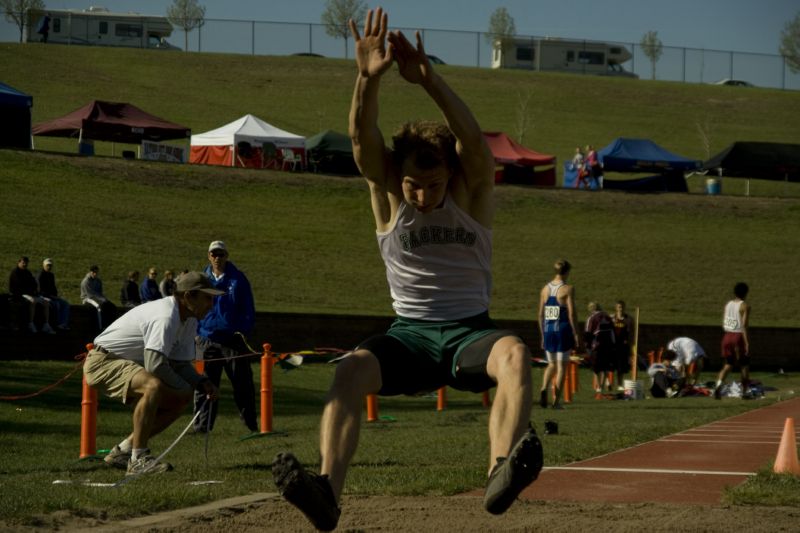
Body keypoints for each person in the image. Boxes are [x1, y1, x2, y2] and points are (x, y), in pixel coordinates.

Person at [271, 9, 543, 531]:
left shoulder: (470, 191)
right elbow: (360, 137)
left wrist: (429, 80)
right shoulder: (389, 191)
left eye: (434, 185)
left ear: (451, 174)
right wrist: (365, 78)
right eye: (414, 186)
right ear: (400, 176)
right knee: (350, 368)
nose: (422, 196)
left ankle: (500, 472)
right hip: (410, 338)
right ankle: (327, 491)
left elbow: (475, 144)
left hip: (470, 335)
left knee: (514, 353)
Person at [83, 272, 220, 475]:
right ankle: (139, 459)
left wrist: (201, 382)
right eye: (207, 298)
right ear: (189, 296)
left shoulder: (189, 319)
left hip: (125, 363)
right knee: (154, 386)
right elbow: (155, 365)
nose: (212, 304)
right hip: (103, 362)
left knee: (178, 400)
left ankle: (124, 451)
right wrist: (182, 389)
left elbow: (179, 364)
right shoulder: (166, 316)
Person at [193, 241, 258, 434]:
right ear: (208, 256)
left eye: (221, 254)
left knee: (243, 383)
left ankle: (250, 425)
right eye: (214, 254)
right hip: (205, 340)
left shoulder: (238, 280)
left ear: (226, 255)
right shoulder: (201, 281)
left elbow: (248, 308)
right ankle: (201, 427)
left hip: (233, 340)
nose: (217, 258)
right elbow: (193, 308)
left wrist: (242, 331)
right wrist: (195, 334)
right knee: (202, 383)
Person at [538, 260, 580, 409]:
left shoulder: (544, 289)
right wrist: (575, 333)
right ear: (567, 272)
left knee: (551, 364)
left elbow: (540, 315)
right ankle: (556, 402)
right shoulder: (568, 289)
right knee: (562, 366)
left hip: (549, 329)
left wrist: (543, 335)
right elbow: (571, 313)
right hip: (562, 329)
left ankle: (544, 387)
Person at [714, 282, 751, 399]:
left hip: (727, 336)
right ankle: (744, 392)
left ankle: (718, 386)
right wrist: (747, 342)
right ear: (746, 293)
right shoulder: (745, 306)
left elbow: (725, 320)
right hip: (738, 336)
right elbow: (744, 326)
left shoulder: (728, 304)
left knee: (728, 364)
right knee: (744, 365)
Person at [8, 256, 55, 334]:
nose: (25, 264)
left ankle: (46, 325)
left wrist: (34, 291)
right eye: (23, 263)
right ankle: (31, 323)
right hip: (20, 295)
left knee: (46, 302)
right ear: (18, 262)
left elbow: (33, 283)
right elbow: (19, 287)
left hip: (30, 294)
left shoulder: (27, 272)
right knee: (32, 301)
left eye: (26, 263)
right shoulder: (15, 273)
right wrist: (30, 291)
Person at [584, 302, 615, 396]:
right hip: (608, 344)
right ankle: (603, 385)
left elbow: (588, 333)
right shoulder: (607, 317)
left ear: (591, 309)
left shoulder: (592, 318)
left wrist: (587, 345)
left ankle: (598, 388)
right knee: (605, 366)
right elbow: (612, 331)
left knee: (596, 367)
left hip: (596, 345)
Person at [80, 265, 117, 332]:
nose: (95, 274)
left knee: (111, 306)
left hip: (98, 298)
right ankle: (100, 327)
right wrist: (102, 300)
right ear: (90, 272)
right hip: (87, 298)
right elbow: (90, 294)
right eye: (93, 272)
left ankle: (111, 325)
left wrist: (105, 299)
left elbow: (100, 293)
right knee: (99, 307)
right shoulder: (86, 281)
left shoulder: (98, 281)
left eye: (96, 272)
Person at [37, 258, 70, 330]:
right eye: (47, 265)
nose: (49, 267)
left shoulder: (51, 275)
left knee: (65, 304)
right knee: (56, 305)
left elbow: (53, 288)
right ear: (44, 265)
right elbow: (40, 290)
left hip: (52, 296)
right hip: (44, 296)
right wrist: (52, 296)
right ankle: (57, 324)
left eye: (50, 265)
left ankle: (63, 323)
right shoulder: (41, 276)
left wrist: (55, 296)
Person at [611, 300, 634, 390]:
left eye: (622, 307)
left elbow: (631, 333)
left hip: (623, 345)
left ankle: (620, 384)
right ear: (616, 308)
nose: (621, 309)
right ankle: (608, 382)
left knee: (621, 366)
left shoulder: (629, 319)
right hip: (613, 345)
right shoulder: (612, 318)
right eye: (619, 307)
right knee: (611, 365)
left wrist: (631, 344)